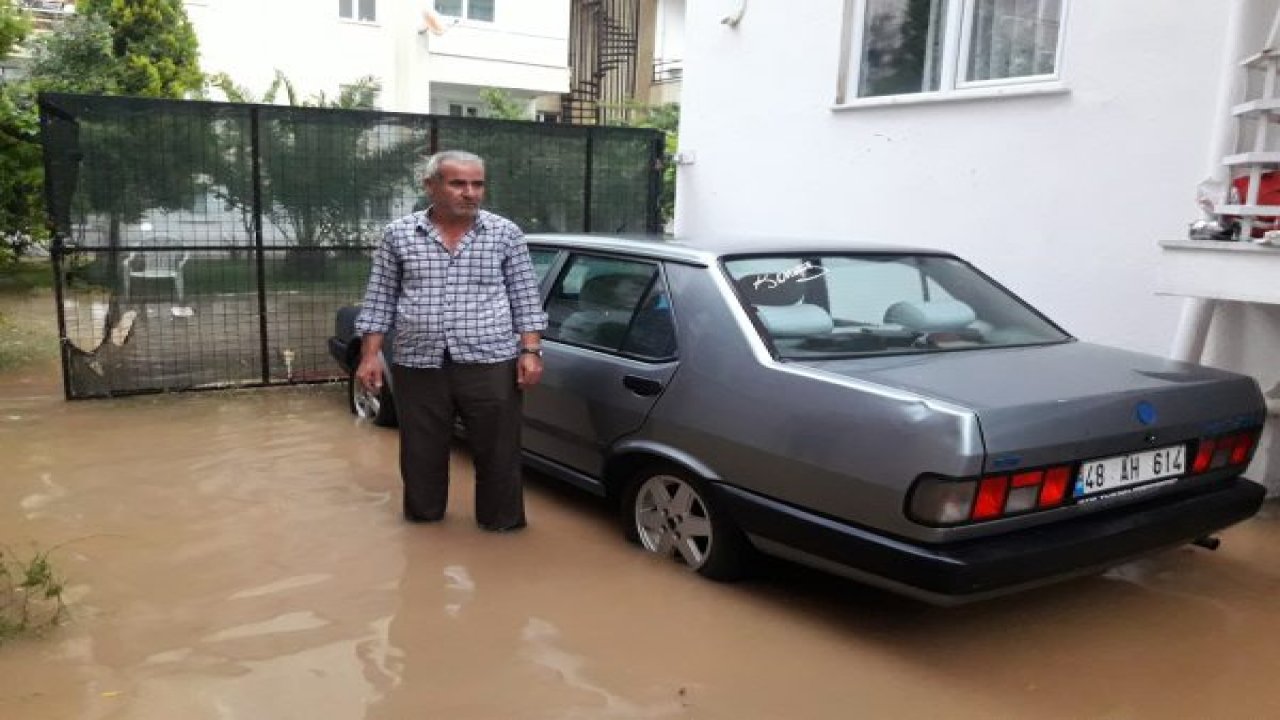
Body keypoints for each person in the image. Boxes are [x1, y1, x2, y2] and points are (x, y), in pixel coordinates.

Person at [354, 150, 547, 531]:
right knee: (420, 453)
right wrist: (370, 356)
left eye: (477, 184)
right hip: (418, 362)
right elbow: (380, 298)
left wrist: (531, 350)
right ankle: (424, 526)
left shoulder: (505, 234)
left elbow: (526, 297)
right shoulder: (399, 235)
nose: (470, 192)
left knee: (499, 453)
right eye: (458, 183)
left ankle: (501, 528)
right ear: (430, 186)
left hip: (491, 361)